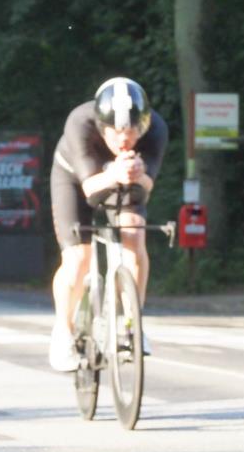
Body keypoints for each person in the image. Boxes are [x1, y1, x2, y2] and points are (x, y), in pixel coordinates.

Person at [48, 77, 168, 372]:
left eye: (131, 132)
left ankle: (131, 322)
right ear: (102, 126)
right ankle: (63, 332)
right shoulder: (80, 122)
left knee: (134, 237)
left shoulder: (156, 129)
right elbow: (90, 189)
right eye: (115, 133)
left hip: (125, 179)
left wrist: (138, 175)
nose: (124, 140)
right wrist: (117, 171)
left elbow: (148, 185)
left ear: (143, 125)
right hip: (76, 179)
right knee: (78, 257)